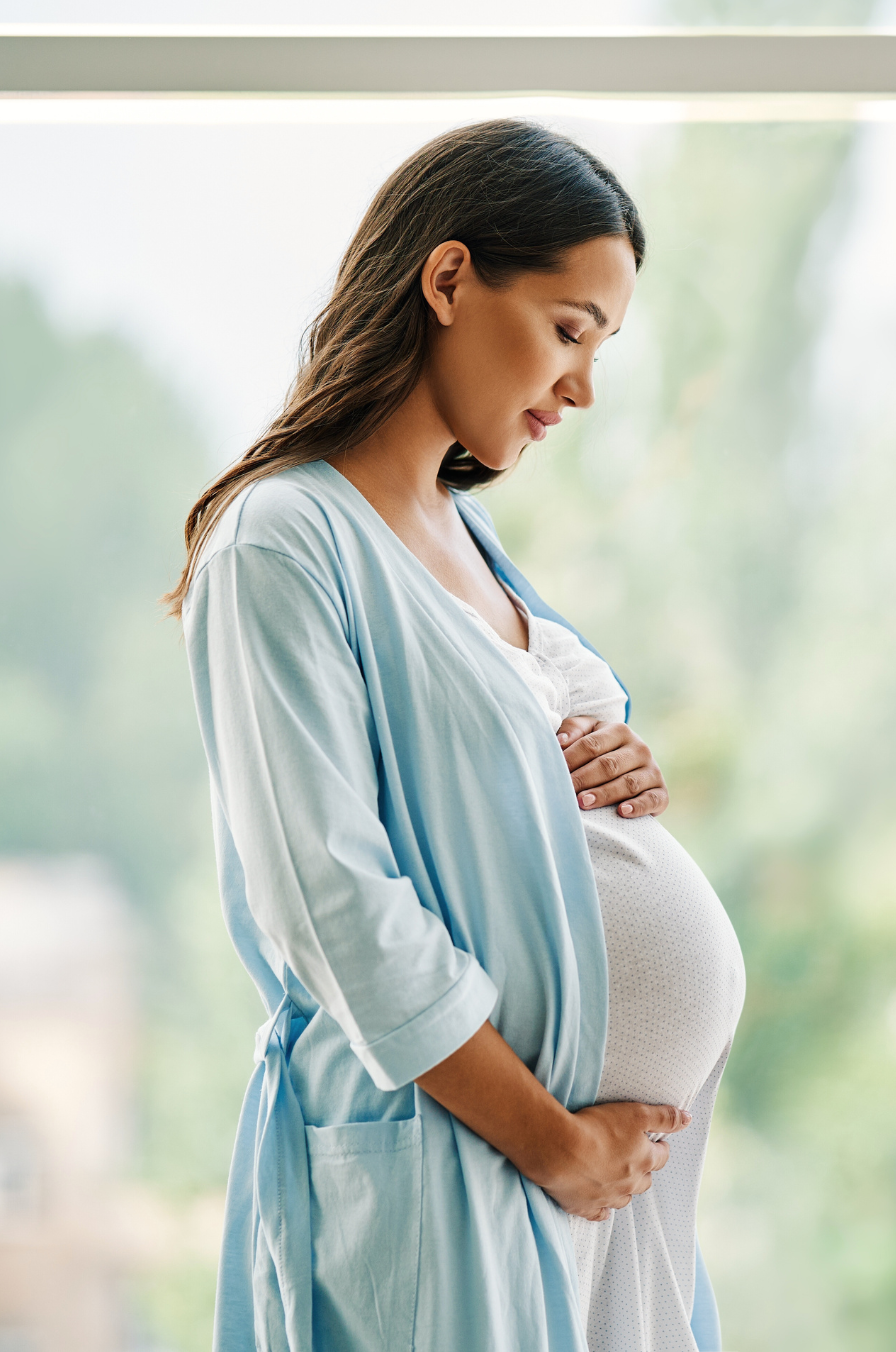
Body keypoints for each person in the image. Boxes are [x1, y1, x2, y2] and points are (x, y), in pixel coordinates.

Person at [166, 119, 744, 1352]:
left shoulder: (460, 534)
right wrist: (555, 1139)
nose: (582, 385)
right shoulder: (283, 539)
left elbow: (531, 755)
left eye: (602, 346)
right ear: (446, 279)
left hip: (589, 1193)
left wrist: (616, 753)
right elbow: (331, 900)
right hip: (473, 1163)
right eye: (566, 328)